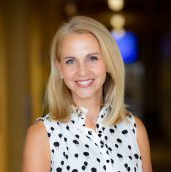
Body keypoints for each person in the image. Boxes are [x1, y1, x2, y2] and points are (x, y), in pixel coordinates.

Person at [22, 16, 152, 172]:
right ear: (60, 69)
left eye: (92, 58)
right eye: (70, 61)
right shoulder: (42, 134)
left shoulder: (135, 128)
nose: (82, 71)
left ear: (108, 63)